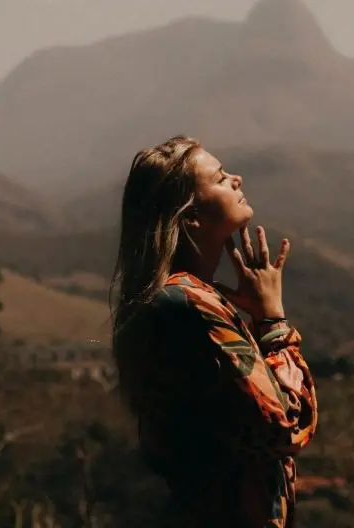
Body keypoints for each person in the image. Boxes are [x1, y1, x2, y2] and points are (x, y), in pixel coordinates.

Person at [111, 135, 318, 527]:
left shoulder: (197, 301)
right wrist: (274, 321)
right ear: (190, 217)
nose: (237, 179)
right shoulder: (188, 306)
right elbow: (287, 425)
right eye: (221, 178)